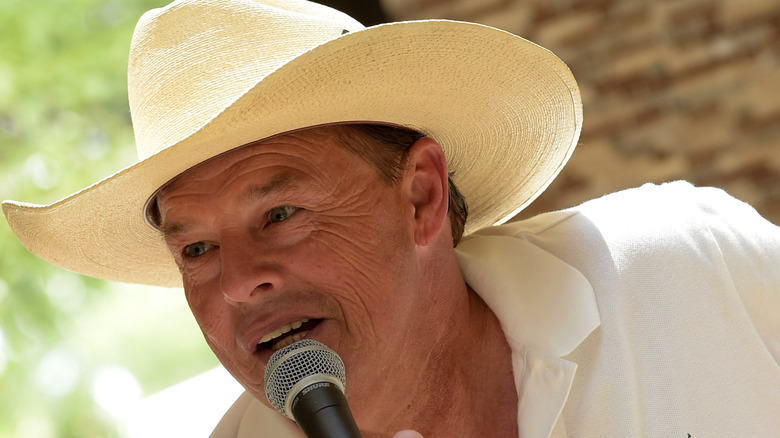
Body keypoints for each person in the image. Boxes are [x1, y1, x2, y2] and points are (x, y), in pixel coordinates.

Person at [3, 0, 779, 437]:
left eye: (278, 212)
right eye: (198, 248)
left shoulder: (687, 265)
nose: (238, 283)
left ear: (421, 197)